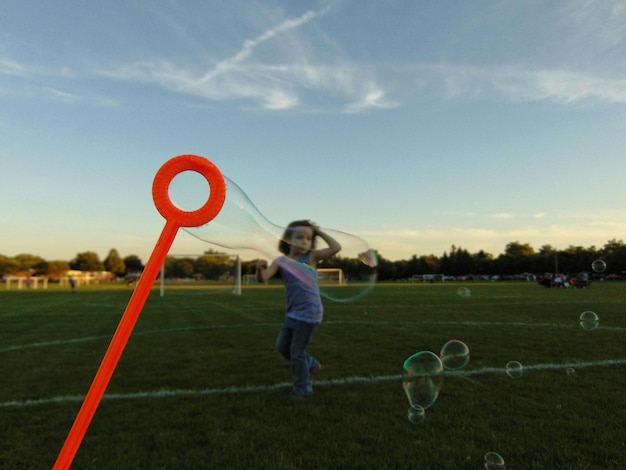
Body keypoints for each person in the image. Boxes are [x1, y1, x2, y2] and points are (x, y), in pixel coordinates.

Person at [256, 220, 341, 399]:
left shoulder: (311, 258)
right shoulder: (281, 261)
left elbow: (336, 247)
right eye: (300, 237)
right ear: (288, 240)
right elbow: (263, 278)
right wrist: (260, 268)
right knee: (282, 347)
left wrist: (319, 231)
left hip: (310, 314)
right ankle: (311, 365)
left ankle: (303, 388)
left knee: (296, 353)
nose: (304, 242)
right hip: (292, 313)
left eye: (309, 238)